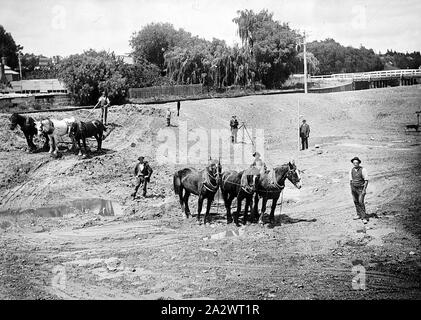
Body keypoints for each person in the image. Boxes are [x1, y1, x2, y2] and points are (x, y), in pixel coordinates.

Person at [349, 157, 369, 224]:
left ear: (359, 163)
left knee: (361, 202)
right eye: (354, 163)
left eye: (356, 163)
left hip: (360, 189)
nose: (355, 164)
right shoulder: (351, 170)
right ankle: (358, 215)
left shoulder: (363, 170)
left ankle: (363, 217)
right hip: (354, 188)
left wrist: (364, 190)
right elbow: (351, 180)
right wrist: (352, 189)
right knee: (356, 201)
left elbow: (366, 180)